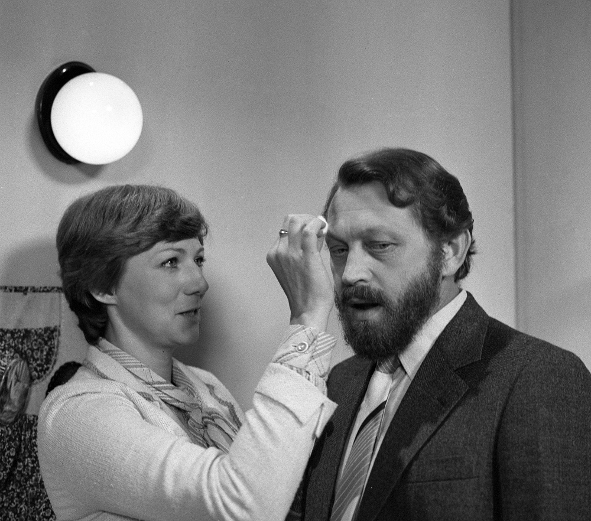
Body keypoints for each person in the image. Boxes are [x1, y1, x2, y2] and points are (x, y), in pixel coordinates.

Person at [290, 148, 591, 520]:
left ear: (451, 251)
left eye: (380, 245)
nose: (350, 273)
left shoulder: (538, 377)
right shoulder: (338, 383)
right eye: (338, 249)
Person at [37, 184, 336, 521]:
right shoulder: (79, 412)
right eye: (170, 262)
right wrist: (308, 317)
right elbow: (241, 504)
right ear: (102, 286)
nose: (199, 283)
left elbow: (274, 484)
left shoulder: (205, 388)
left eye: (198, 259)